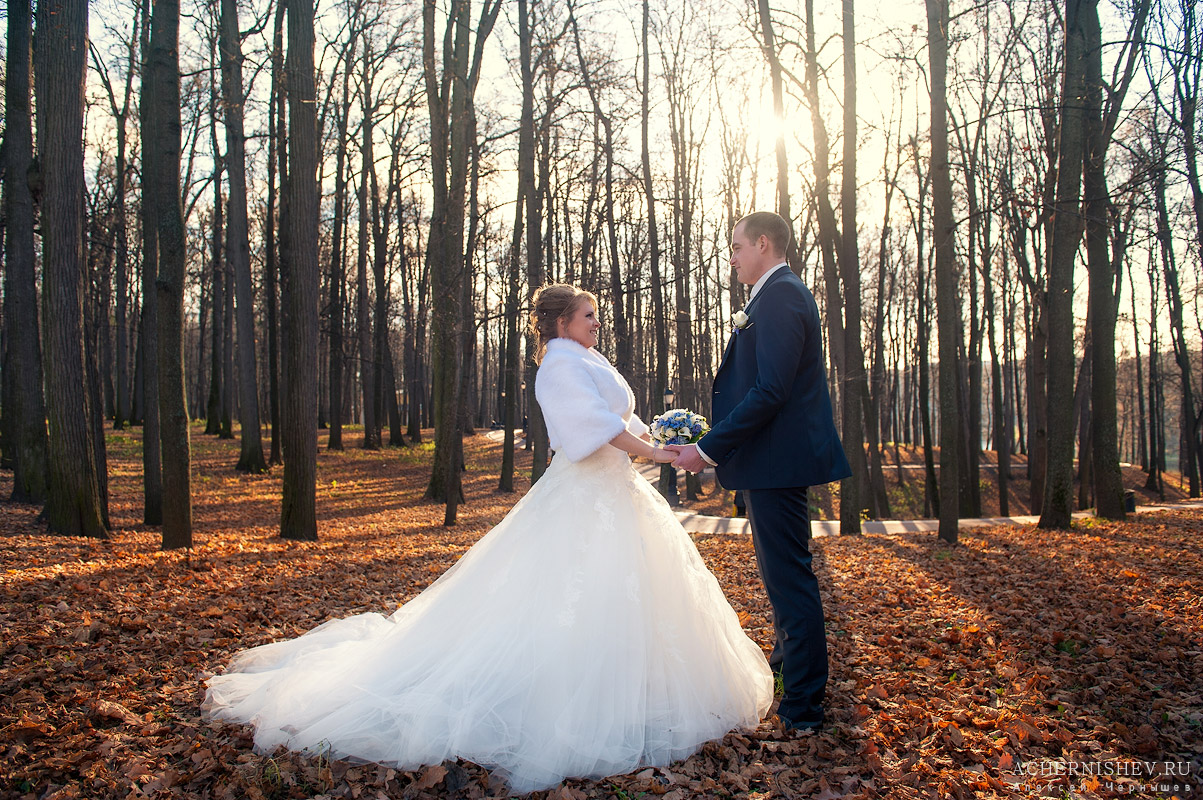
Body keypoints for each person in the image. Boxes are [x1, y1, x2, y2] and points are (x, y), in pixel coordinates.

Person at [203, 284, 772, 793]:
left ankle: (636, 692)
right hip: (582, 494)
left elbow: (618, 416)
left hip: (618, 492)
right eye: (588, 315)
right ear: (560, 323)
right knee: (566, 592)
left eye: (596, 316)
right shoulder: (557, 366)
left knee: (633, 594)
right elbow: (591, 430)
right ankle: (559, 699)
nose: (598, 323)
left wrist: (666, 439)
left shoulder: (588, 358)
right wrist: (653, 452)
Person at [668, 211, 851, 732]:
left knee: (790, 581)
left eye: (736, 247)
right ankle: (787, 674)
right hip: (767, 460)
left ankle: (804, 705)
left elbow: (772, 390)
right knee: (780, 579)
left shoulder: (784, 296)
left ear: (763, 244)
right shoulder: (772, 295)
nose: (731, 258)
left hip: (778, 461)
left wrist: (707, 449)